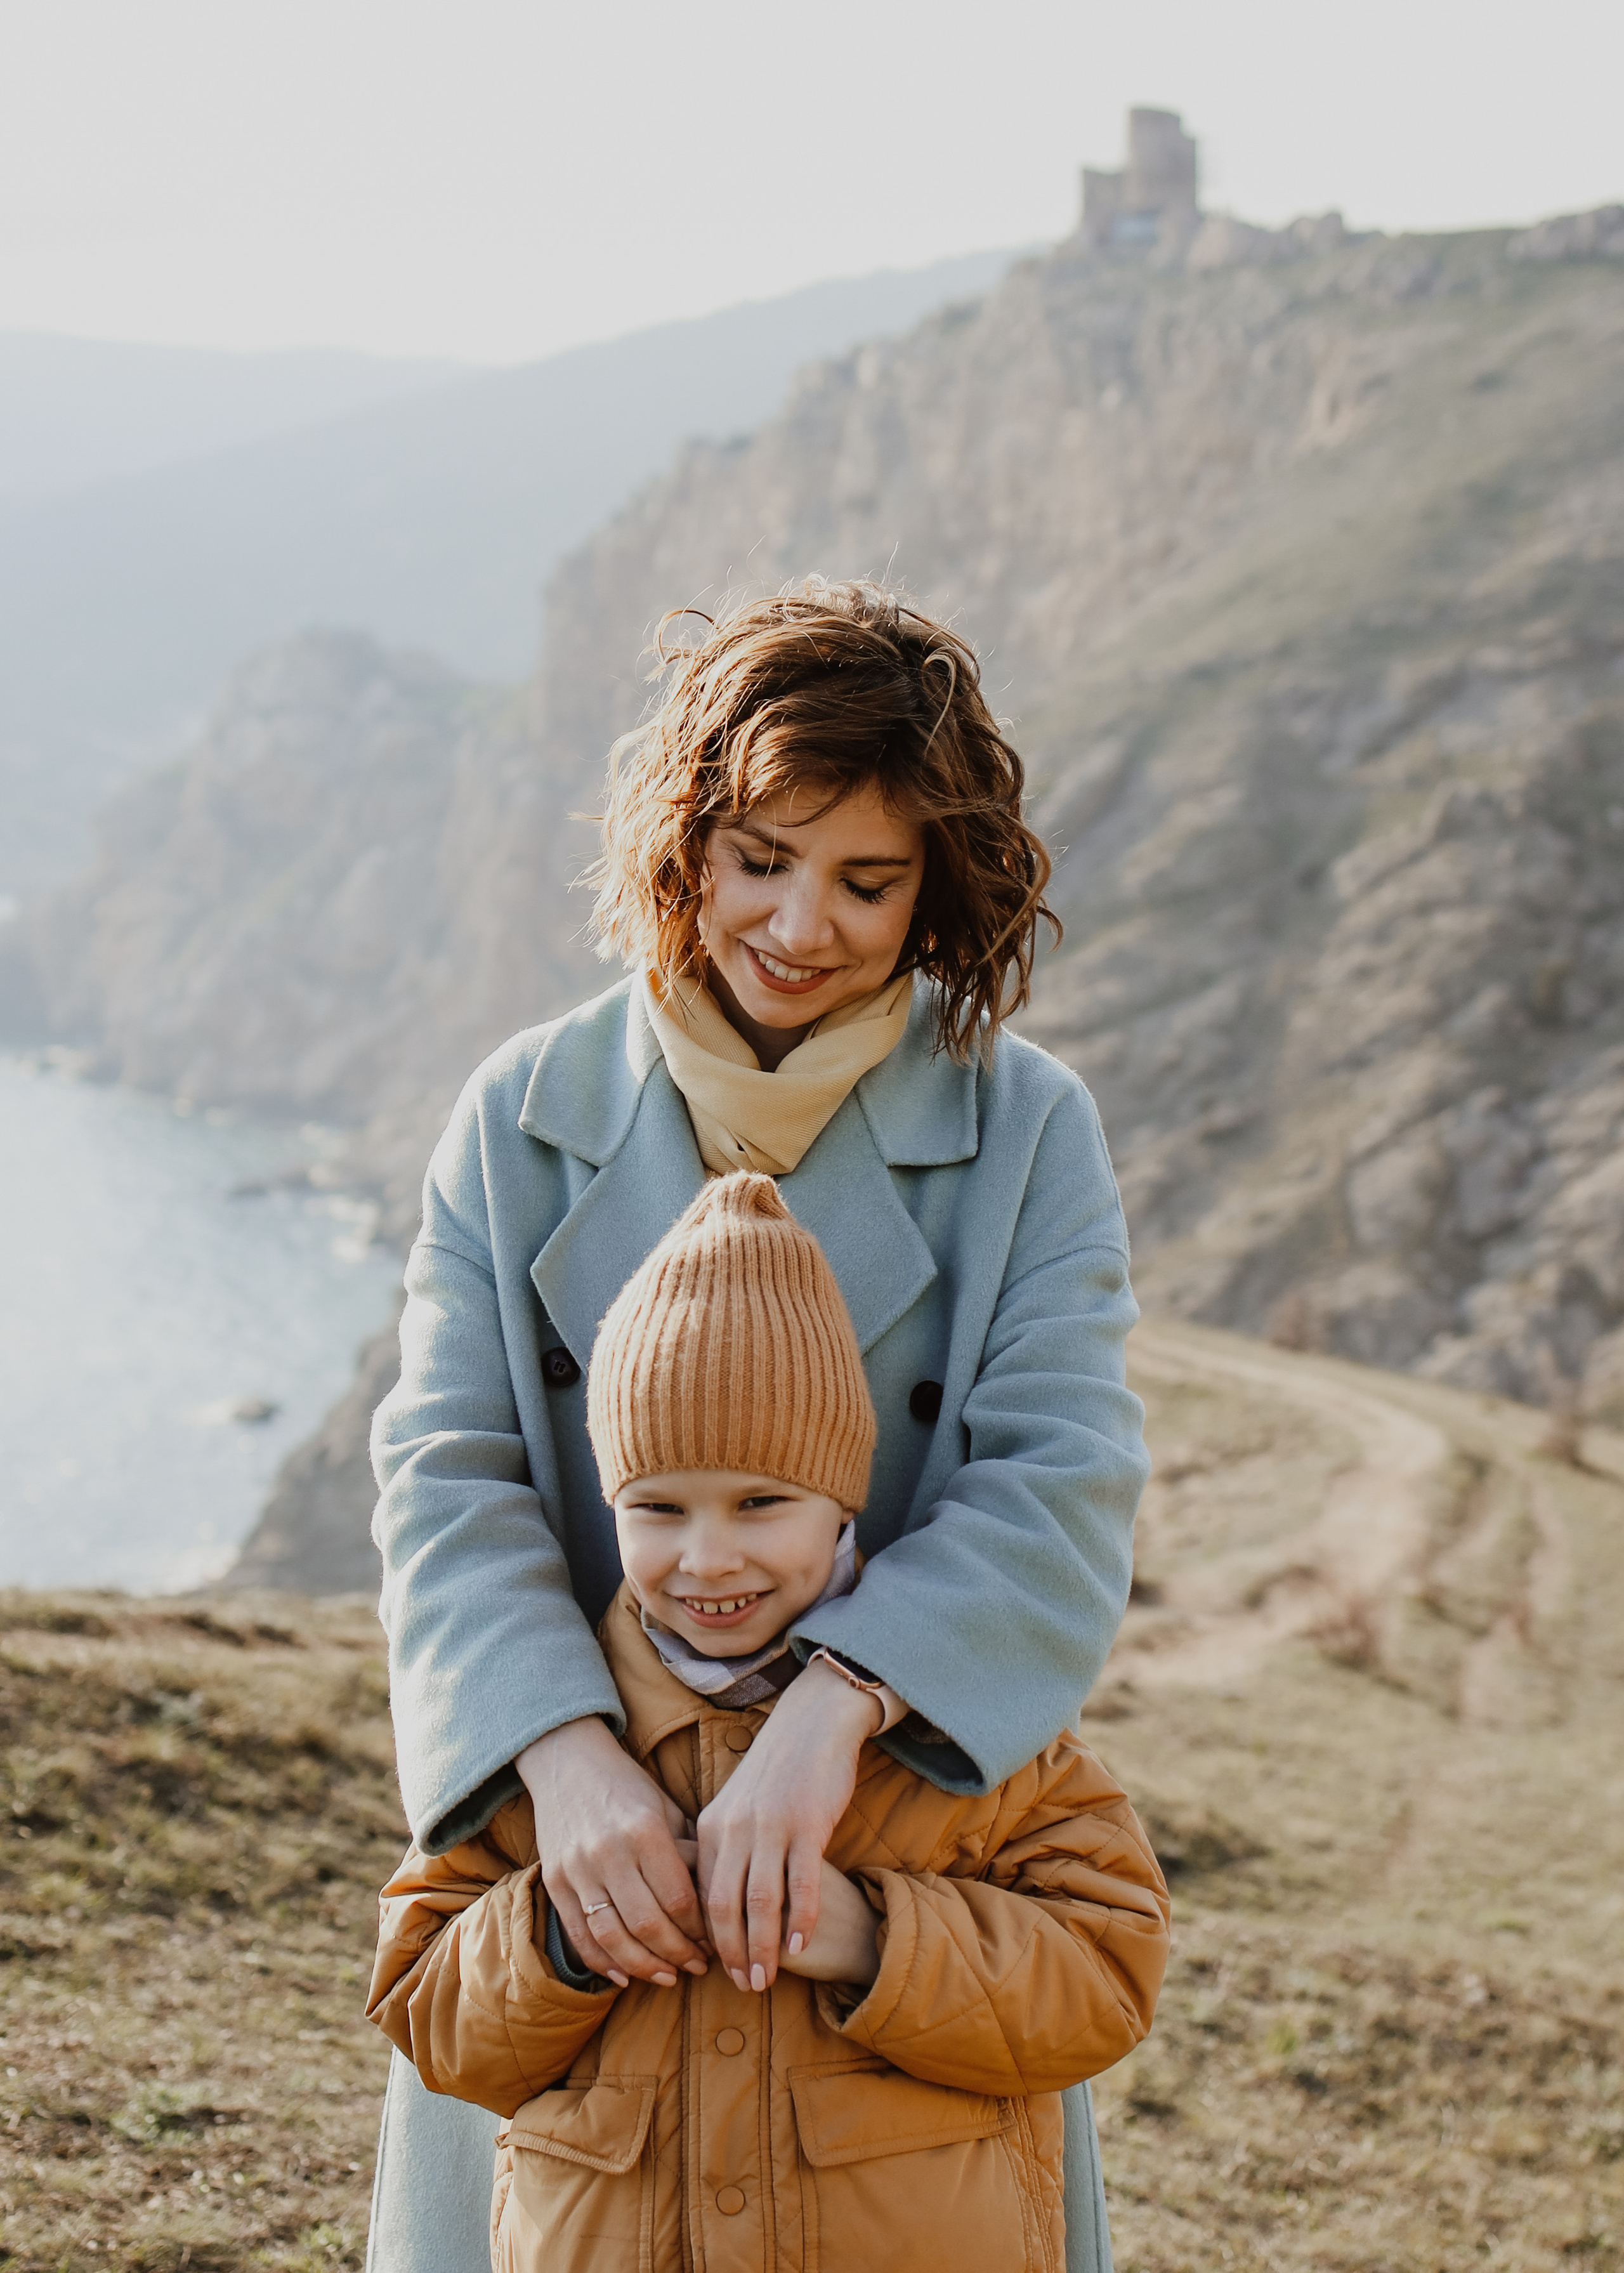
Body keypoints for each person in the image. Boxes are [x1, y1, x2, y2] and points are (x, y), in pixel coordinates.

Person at [366, 579, 1151, 2273]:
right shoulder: (519, 1115)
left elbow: (1062, 1473)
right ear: (686, 845)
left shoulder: (1027, 1126)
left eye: (869, 882)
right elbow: (452, 1474)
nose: (803, 925)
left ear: (943, 884)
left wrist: (838, 1713)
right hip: (583, 1871)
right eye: (760, 862)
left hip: (896, 1847)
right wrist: (564, 1760)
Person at [367, 1174, 1169, 2273]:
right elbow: (425, 2007)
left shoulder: (960, 1729)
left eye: (759, 1504)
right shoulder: (552, 1748)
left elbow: (1108, 1972)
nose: (707, 1560)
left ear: (846, 1502)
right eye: (658, 1508)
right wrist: (562, 1934)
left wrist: (870, 1939)